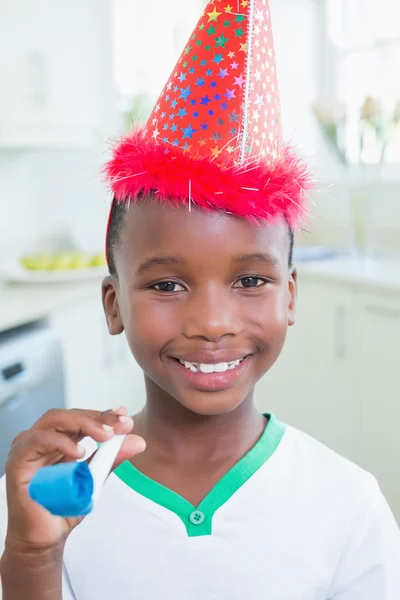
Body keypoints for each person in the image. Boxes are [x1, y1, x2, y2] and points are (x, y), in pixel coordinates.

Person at [1, 1, 400, 598]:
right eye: (166, 285)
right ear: (113, 304)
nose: (213, 322)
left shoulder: (348, 506)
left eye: (249, 281)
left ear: (290, 295)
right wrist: (32, 556)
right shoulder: (55, 498)